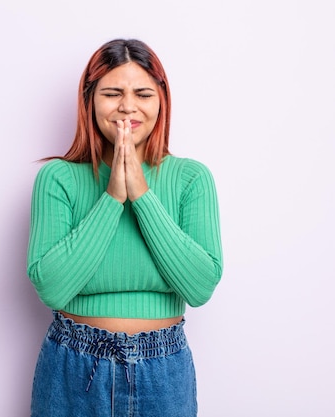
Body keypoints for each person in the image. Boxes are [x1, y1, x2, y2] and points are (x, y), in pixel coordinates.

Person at [26, 38, 223, 417]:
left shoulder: (191, 179)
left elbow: (200, 287)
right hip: (73, 365)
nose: (127, 106)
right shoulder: (59, 178)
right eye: (112, 92)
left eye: (143, 94)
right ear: (90, 100)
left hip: (162, 371)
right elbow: (52, 287)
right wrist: (113, 197)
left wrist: (142, 195)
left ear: (161, 101)